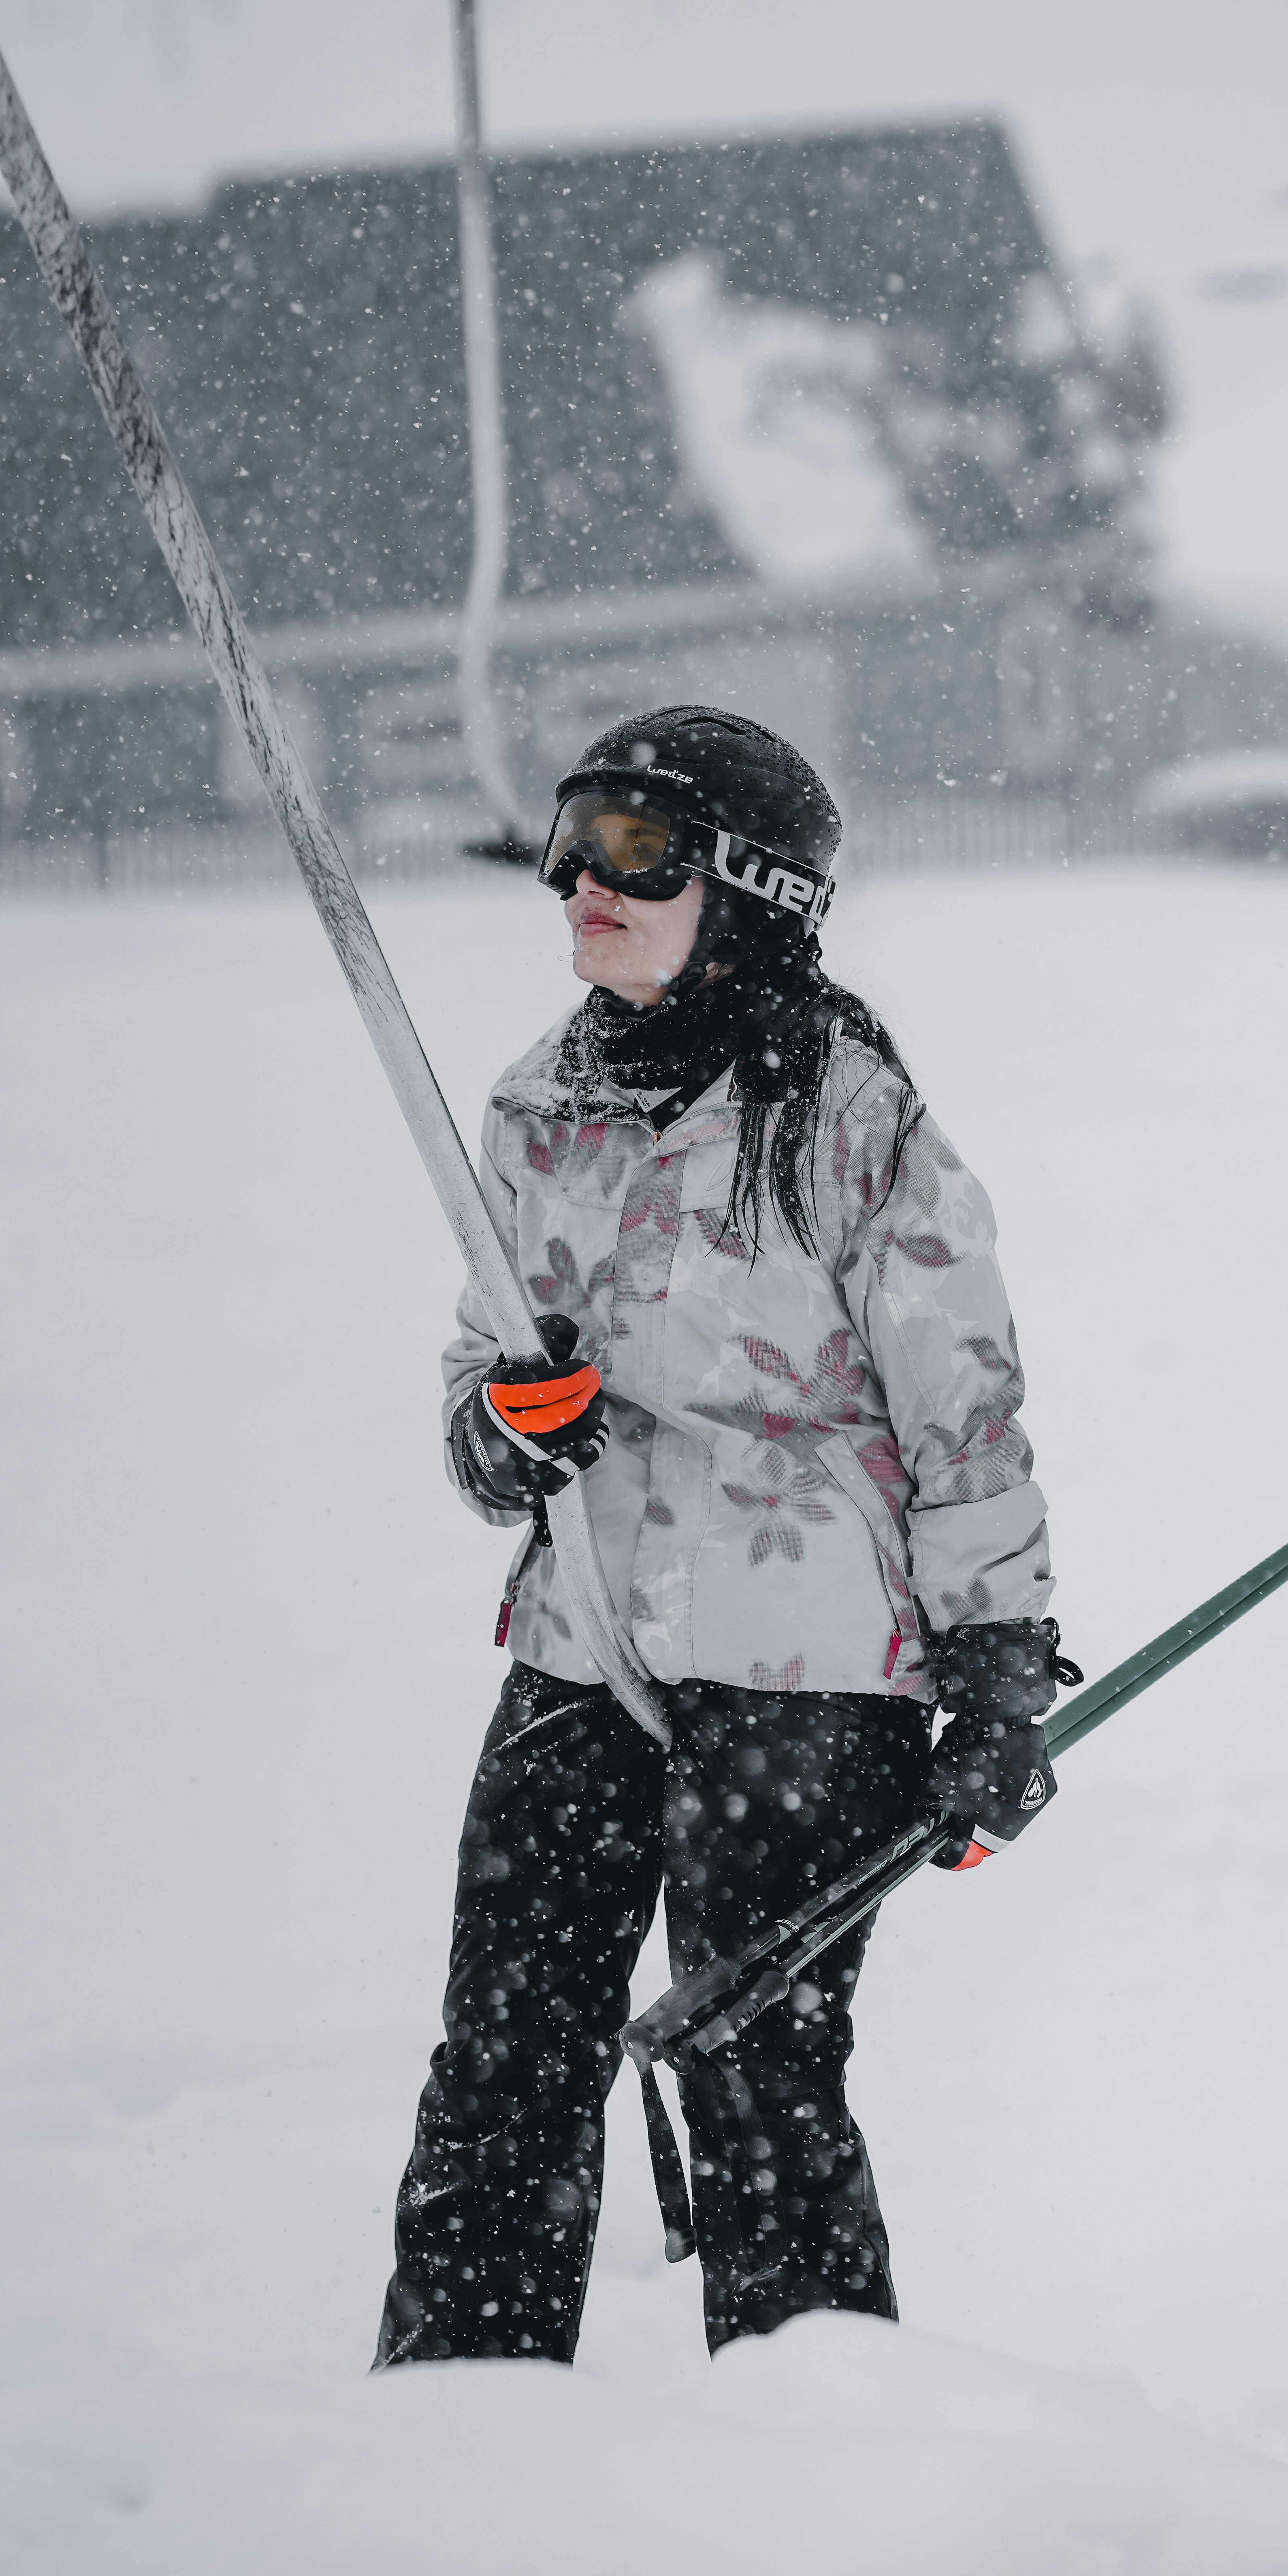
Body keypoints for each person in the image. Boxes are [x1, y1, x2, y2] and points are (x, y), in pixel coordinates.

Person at [375, 707, 1069, 2368]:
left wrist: (993, 1676)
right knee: (502, 2057)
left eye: (633, 847)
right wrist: (502, 1426)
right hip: (582, 1639)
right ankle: (453, 2423)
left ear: (753, 888)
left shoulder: (850, 1122)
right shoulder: (532, 1107)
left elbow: (964, 1416)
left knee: (756, 2073)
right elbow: (475, 1369)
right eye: (571, 839)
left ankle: (812, 2441)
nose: (581, 882)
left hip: (807, 1672)